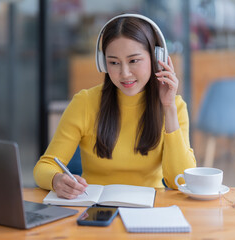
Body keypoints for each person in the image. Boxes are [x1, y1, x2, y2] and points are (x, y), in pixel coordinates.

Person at [34, 13, 196, 199]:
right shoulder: (85, 102)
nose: (124, 73)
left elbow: (181, 180)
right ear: (103, 63)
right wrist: (56, 179)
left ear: (155, 58)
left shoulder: (174, 106)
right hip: (95, 210)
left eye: (134, 60)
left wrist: (168, 107)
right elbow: (44, 166)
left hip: (150, 209)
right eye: (113, 62)